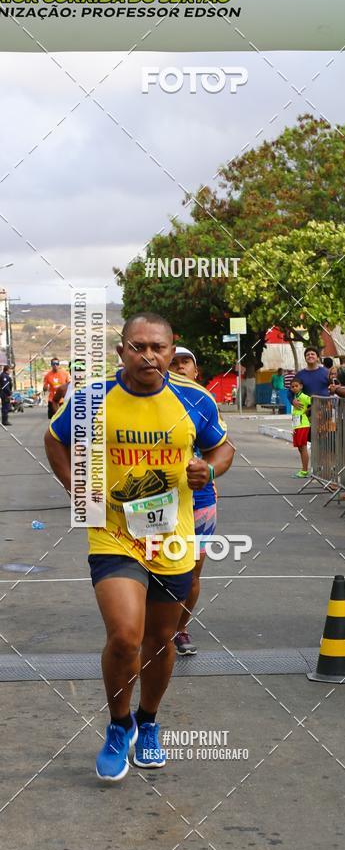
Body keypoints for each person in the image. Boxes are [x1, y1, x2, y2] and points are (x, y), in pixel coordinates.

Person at [44, 313, 233, 782]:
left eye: (158, 347)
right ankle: (117, 725)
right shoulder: (93, 398)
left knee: (160, 640)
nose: (149, 355)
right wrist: (76, 489)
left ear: (171, 350)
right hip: (114, 532)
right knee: (126, 636)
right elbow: (54, 439)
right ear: (121, 351)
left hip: (172, 537)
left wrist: (209, 470)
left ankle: (147, 722)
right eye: (138, 346)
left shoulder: (195, 398)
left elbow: (223, 448)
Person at [168, 346, 235, 656]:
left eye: (186, 362)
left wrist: (209, 471)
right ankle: (153, 627)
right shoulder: (147, 399)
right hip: (157, 500)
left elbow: (223, 448)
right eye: (174, 363)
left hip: (200, 500)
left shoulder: (203, 402)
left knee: (191, 572)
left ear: (196, 371)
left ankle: (179, 628)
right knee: (151, 566)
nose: (180, 367)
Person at [290, 377, 311, 478]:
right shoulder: (295, 397)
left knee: (303, 447)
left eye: (296, 386)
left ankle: (305, 471)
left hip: (303, 425)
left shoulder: (304, 397)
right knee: (300, 448)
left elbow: (313, 402)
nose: (294, 388)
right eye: (292, 386)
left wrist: (308, 411)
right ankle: (304, 469)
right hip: (297, 425)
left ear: (301, 386)